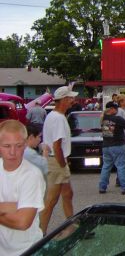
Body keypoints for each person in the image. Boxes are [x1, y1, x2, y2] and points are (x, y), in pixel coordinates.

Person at [0, 120, 46, 255]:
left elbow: (22, 222)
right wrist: (17, 206)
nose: (13, 152)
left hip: (27, 250)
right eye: (7, 146)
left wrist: (21, 209)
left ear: (26, 144)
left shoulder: (32, 175)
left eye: (18, 146)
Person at [39, 85, 77, 235]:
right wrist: (63, 163)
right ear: (63, 100)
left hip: (56, 160)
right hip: (57, 162)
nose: (73, 101)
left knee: (68, 194)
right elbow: (57, 145)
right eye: (70, 98)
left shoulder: (54, 116)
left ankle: (72, 226)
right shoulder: (59, 119)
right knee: (51, 200)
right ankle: (40, 233)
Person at [98, 101, 125, 195]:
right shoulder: (117, 118)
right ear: (112, 109)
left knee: (106, 167)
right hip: (118, 145)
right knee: (122, 166)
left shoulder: (103, 118)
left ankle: (102, 187)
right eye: (116, 108)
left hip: (106, 145)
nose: (117, 110)